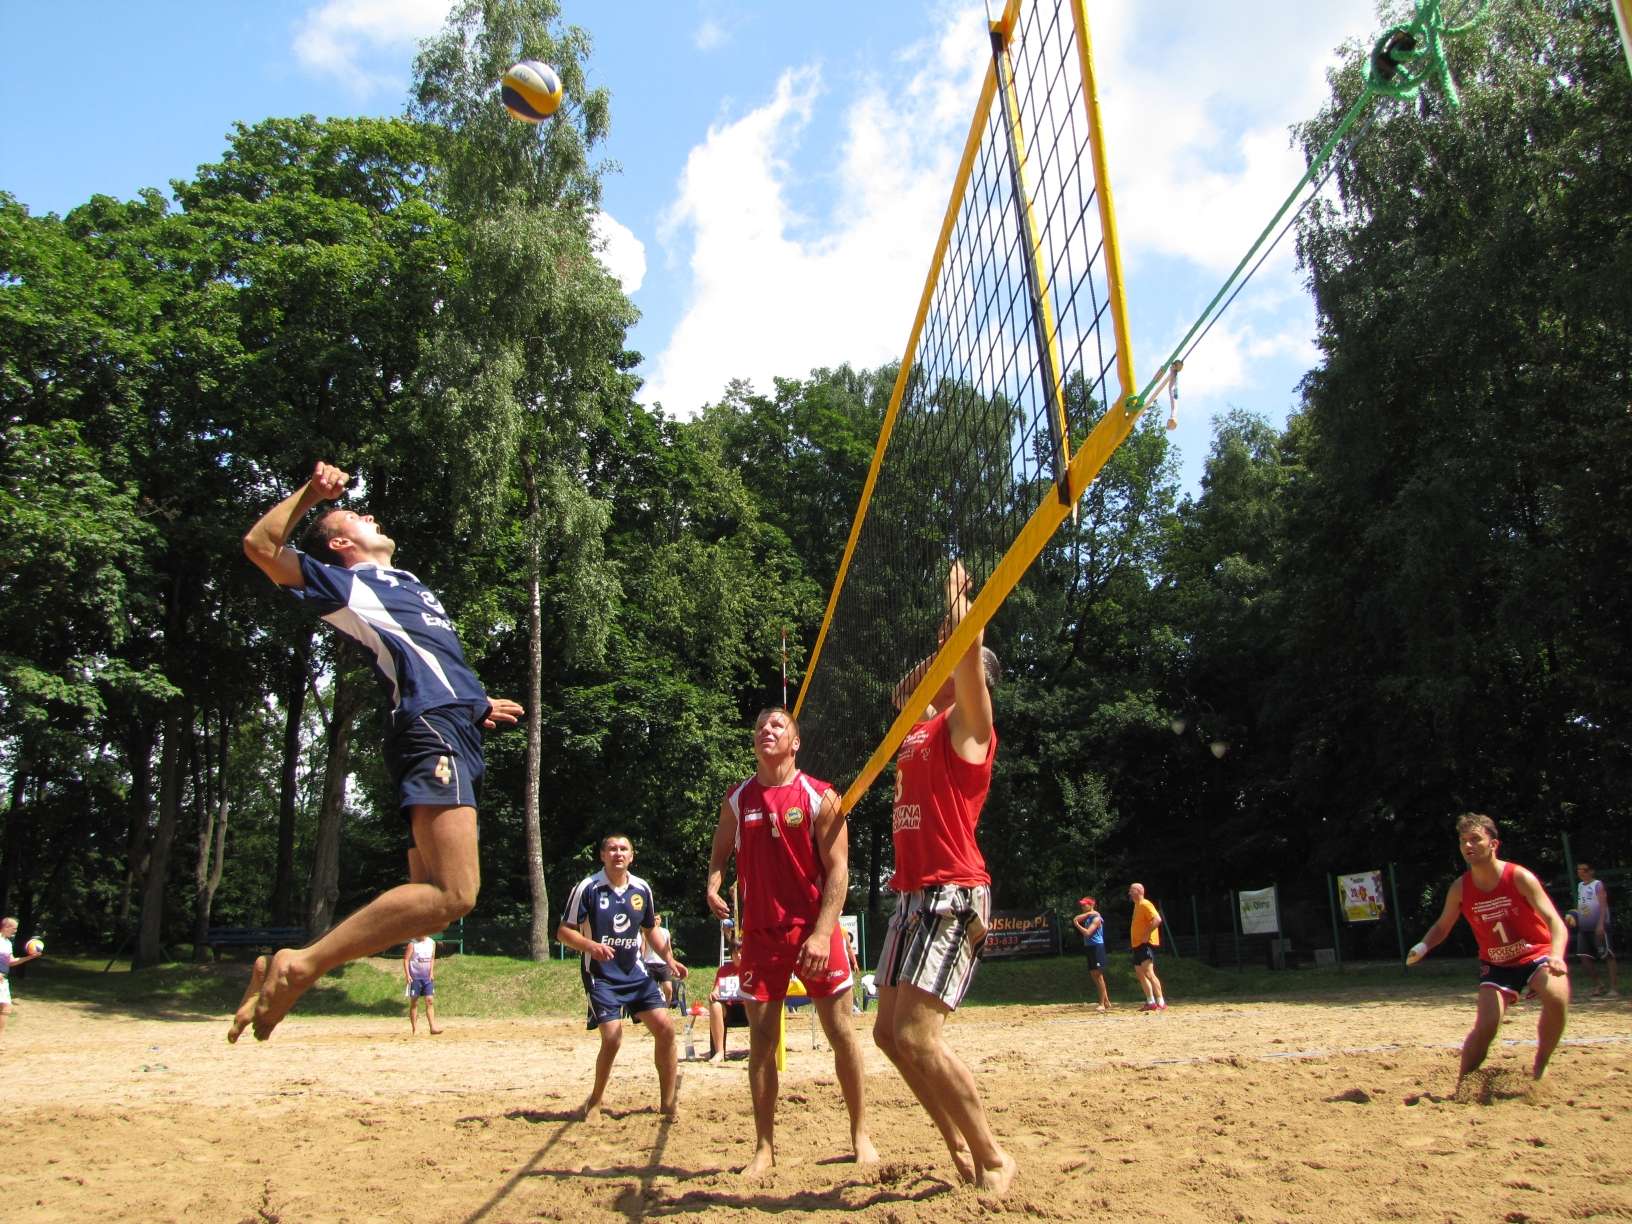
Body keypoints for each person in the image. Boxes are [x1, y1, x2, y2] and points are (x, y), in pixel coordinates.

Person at [232, 461, 524, 1043]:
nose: (369, 514)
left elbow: (423, 656)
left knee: (435, 896)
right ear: (341, 543)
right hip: (431, 730)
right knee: (455, 894)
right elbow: (260, 547)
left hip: (455, 723)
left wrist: (476, 702)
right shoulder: (348, 584)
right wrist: (313, 495)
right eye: (355, 517)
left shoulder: (407, 583)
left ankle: (293, 967)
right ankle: (301, 965)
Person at [872, 561, 1017, 1197]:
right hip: (912, 893)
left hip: (953, 891)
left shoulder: (971, 730)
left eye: (957, 664)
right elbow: (899, 694)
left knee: (916, 1035)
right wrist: (942, 649)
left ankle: (993, 1157)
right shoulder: (924, 723)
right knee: (887, 1035)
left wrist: (959, 600)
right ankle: (956, 1142)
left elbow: (966, 649)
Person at [705, 707, 878, 1176]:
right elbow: (720, 849)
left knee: (840, 1032)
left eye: (778, 725)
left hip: (814, 930)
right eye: (761, 726)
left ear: (795, 742)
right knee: (761, 1043)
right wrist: (713, 883)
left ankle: (860, 1134)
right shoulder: (738, 798)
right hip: (761, 934)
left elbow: (839, 871)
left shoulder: (821, 796)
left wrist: (823, 933)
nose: (767, 730)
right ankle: (764, 1148)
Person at [1407, 813, 1570, 1082]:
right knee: (1487, 1025)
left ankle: (1541, 1064)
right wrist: (1423, 946)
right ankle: (1464, 1085)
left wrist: (1557, 955)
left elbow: (1555, 921)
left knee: (1556, 996)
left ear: (1494, 844)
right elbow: (1442, 926)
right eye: (1463, 841)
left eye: (1475, 839)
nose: (1468, 846)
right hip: (1496, 964)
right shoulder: (1460, 888)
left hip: (1537, 954)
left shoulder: (1519, 877)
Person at [558, 834, 687, 1121]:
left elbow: (650, 929)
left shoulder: (641, 888)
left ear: (631, 856)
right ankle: (595, 1102)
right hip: (601, 975)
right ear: (603, 855)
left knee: (666, 1028)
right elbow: (563, 932)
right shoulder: (588, 888)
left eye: (623, 849)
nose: (618, 853)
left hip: (636, 974)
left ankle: (668, 1103)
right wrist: (591, 946)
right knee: (613, 1037)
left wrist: (669, 959)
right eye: (612, 849)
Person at [1571, 861, 1617, 997]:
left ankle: (1614, 988)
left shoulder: (1597, 884)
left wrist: (1601, 924)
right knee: (1583, 956)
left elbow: (1603, 905)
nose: (1581, 872)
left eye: (1584, 870)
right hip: (1584, 926)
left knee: (1608, 955)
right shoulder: (1580, 886)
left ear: (1591, 871)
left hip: (1598, 925)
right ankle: (1599, 985)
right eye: (1579, 870)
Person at [0, 917, 42, 1039]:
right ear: (6, 927)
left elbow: (11, 962)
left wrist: (31, 957)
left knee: (6, 1008)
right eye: (14, 928)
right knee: (5, 1007)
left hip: (3, 980)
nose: (15, 931)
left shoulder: (7, 943)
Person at [1128, 883, 1166, 1012]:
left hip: (1145, 944)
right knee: (1140, 974)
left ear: (1139, 891)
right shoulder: (1137, 906)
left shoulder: (1145, 904)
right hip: (1137, 945)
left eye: (1132, 890)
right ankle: (1151, 1002)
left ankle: (1161, 1002)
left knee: (1149, 973)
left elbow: (1157, 919)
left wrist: (1146, 934)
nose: (1129, 893)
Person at [1072, 897, 1110, 1012]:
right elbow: (1077, 917)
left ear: (1091, 905)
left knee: (1098, 975)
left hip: (1097, 947)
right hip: (1089, 947)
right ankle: (1106, 1001)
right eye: (1082, 905)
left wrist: (1077, 924)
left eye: (1085, 905)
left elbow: (1088, 933)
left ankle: (1102, 1003)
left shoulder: (1097, 918)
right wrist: (1086, 915)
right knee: (1094, 975)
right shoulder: (1089, 916)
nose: (1082, 907)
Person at [403, 934, 443, 1035]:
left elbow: (432, 958)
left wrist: (431, 972)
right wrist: (408, 975)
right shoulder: (412, 944)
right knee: (414, 1002)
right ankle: (415, 1029)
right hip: (415, 978)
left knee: (430, 1001)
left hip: (427, 978)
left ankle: (433, 1027)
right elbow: (406, 960)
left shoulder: (432, 943)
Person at [643, 913, 676, 1005]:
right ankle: (652, 1007)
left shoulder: (666, 932)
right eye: (654, 919)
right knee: (650, 990)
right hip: (649, 963)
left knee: (668, 988)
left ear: (660, 920)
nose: (655, 921)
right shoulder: (646, 932)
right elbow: (643, 948)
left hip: (663, 964)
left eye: (657, 919)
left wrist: (672, 964)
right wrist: (642, 962)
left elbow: (669, 948)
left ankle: (666, 1007)